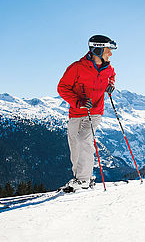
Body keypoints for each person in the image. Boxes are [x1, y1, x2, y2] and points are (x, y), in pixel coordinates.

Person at [57, 35, 117, 191]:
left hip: (95, 111)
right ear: (97, 50)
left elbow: (112, 76)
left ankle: (83, 180)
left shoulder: (108, 68)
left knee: (84, 139)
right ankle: (81, 178)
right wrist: (78, 102)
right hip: (76, 112)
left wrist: (111, 84)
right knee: (74, 145)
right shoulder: (76, 68)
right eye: (107, 50)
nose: (110, 54)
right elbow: (62, 88)